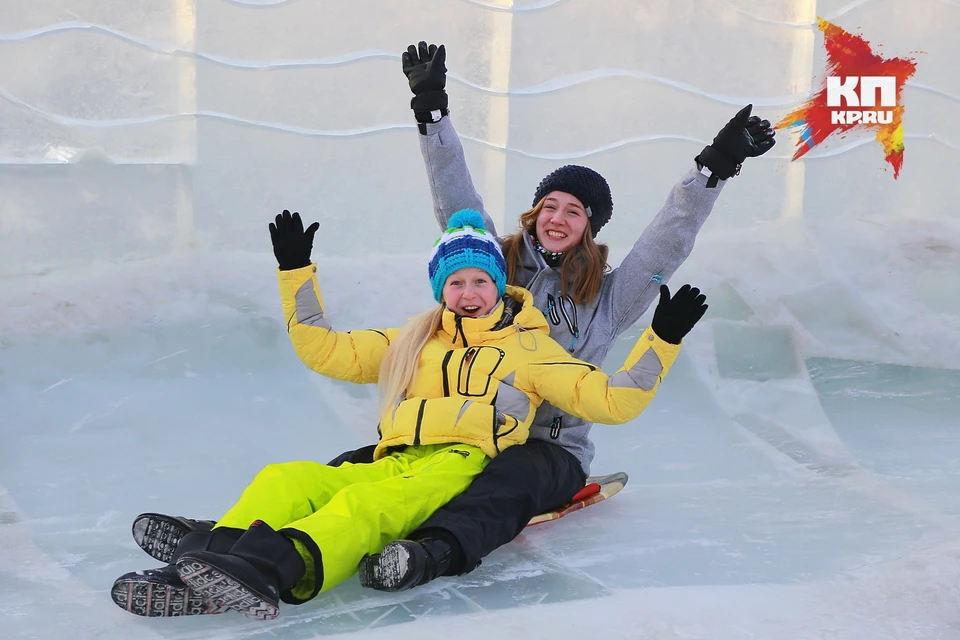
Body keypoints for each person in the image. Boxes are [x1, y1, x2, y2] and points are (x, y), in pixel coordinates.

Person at [126, 39, 775, 595]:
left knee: (507, 485)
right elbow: (455, 203)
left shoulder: (609, 295)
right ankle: (228, 539)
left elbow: (669, 238)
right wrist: (431, 111)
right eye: (549, 203)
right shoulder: (494, 271)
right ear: (534, 214)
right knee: (357, 466)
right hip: (455, 431)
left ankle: (427, 553)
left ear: (589, 229)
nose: (558, 216)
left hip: (546, 446)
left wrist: (715, 166)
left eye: (574, 210)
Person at [111, 208, 708, 619]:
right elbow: (325, 348)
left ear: (499, 286)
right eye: (456, 283)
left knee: (364, 508)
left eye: (480, 281)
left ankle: (270, 567)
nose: (468, 293)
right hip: (393, 456)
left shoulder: (530, 347)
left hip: (458, 464)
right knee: (286, 477)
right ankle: (199, 567)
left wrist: (661, 339)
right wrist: (296, 273)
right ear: (439, 290)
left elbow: (613, 400)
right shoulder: (412, 339)